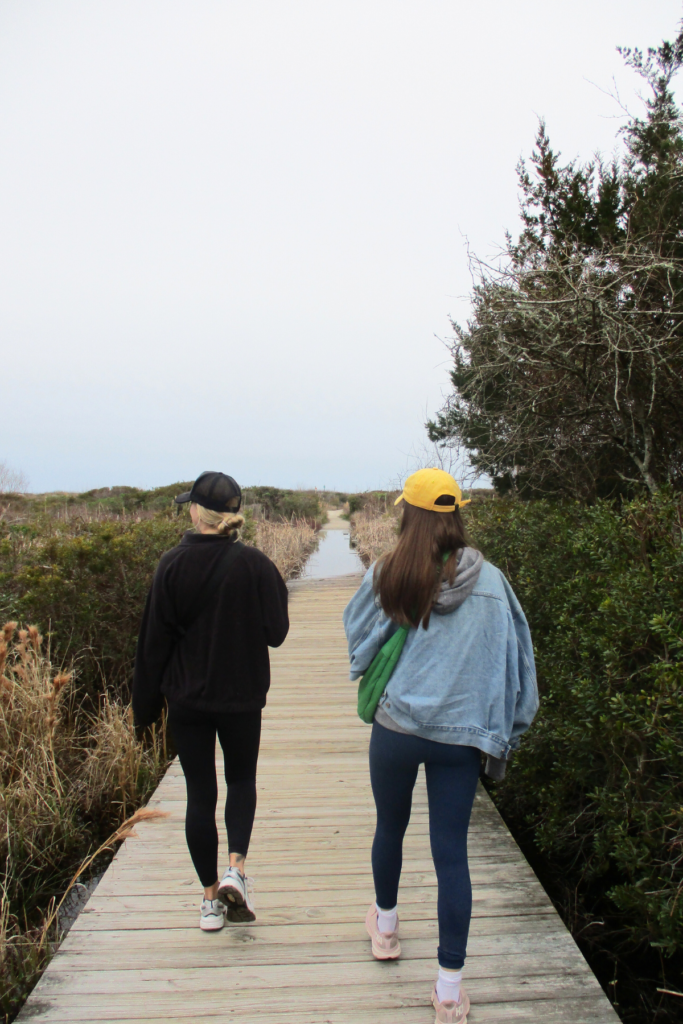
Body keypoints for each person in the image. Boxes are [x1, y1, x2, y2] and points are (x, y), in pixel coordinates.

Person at [343, 468, 538, 1024]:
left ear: (408, 510)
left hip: (396, 731)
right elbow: (518, 661)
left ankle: (384, 930)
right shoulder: (493, 583)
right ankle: (448, 992)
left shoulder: (389, 571)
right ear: (457, 513)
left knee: (389, 828)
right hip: (460, 740)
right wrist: (510, 726)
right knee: (451, 854)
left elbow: (359, 639)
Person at [133, 470, 289, 931]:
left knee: (200, 795)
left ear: (197, 512)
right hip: (241, 698)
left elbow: (152, 646)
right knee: (241, 782)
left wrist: (143, 714)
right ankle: (235, 870)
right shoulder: (256, 564)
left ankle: (208, 903)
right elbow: (276, 634)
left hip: (188, 700)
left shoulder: (171, 565)